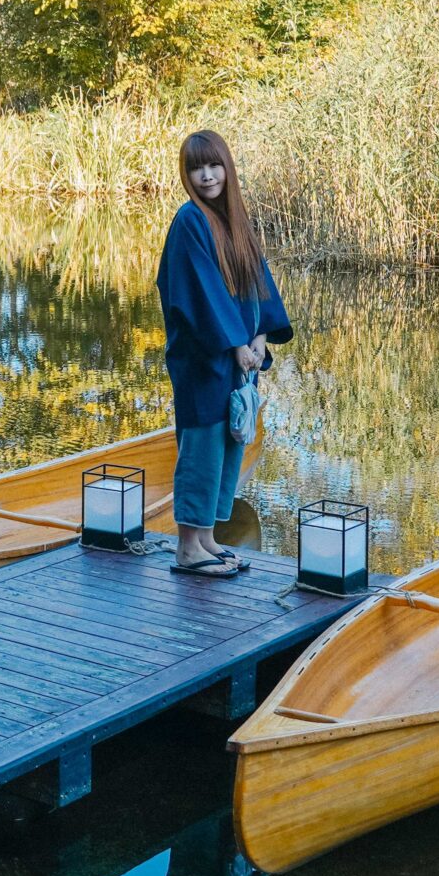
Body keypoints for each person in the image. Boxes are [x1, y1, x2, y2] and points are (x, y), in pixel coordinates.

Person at [154, 129, 292, 576]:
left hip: (239, 357)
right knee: (201, 446)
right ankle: (188, 549)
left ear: (227, 168)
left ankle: (208, 539)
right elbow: (198, 292)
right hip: (204, 358)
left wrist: (259, 337)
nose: (207, 175)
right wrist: (234, 342)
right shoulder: (189, 221)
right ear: (187, 174)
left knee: (230, 444)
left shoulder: (235, 220)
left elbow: (257, 282)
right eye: (197, 167)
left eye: (214, 165)